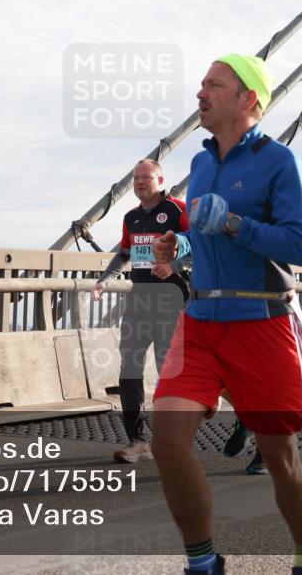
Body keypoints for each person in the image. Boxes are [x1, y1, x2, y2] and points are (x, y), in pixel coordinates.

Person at [151, 53, 302, 575]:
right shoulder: (202, 164)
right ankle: (203, 563)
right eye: (201, 84)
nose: (200, 93)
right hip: (201, 322)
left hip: (263, 323)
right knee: (167, 442)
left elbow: (301, 246)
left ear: (248, 98)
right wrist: (180, 246)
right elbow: (204, 235)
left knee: (280, 457)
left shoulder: (281, 163)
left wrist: (232, 224)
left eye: (213, 84)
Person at [92, 159, 189, 464]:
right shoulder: (131, 217)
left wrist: (173, 266)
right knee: (129, 367)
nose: (139, 183)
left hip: (171, 300)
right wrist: (104, 280)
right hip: (140, 301)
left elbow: (203, 248)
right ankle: (138, 440)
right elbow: (124, 254)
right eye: (135, 179)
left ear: (161, 180)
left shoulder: (178, 211)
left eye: (146, 178)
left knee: (168, 370)